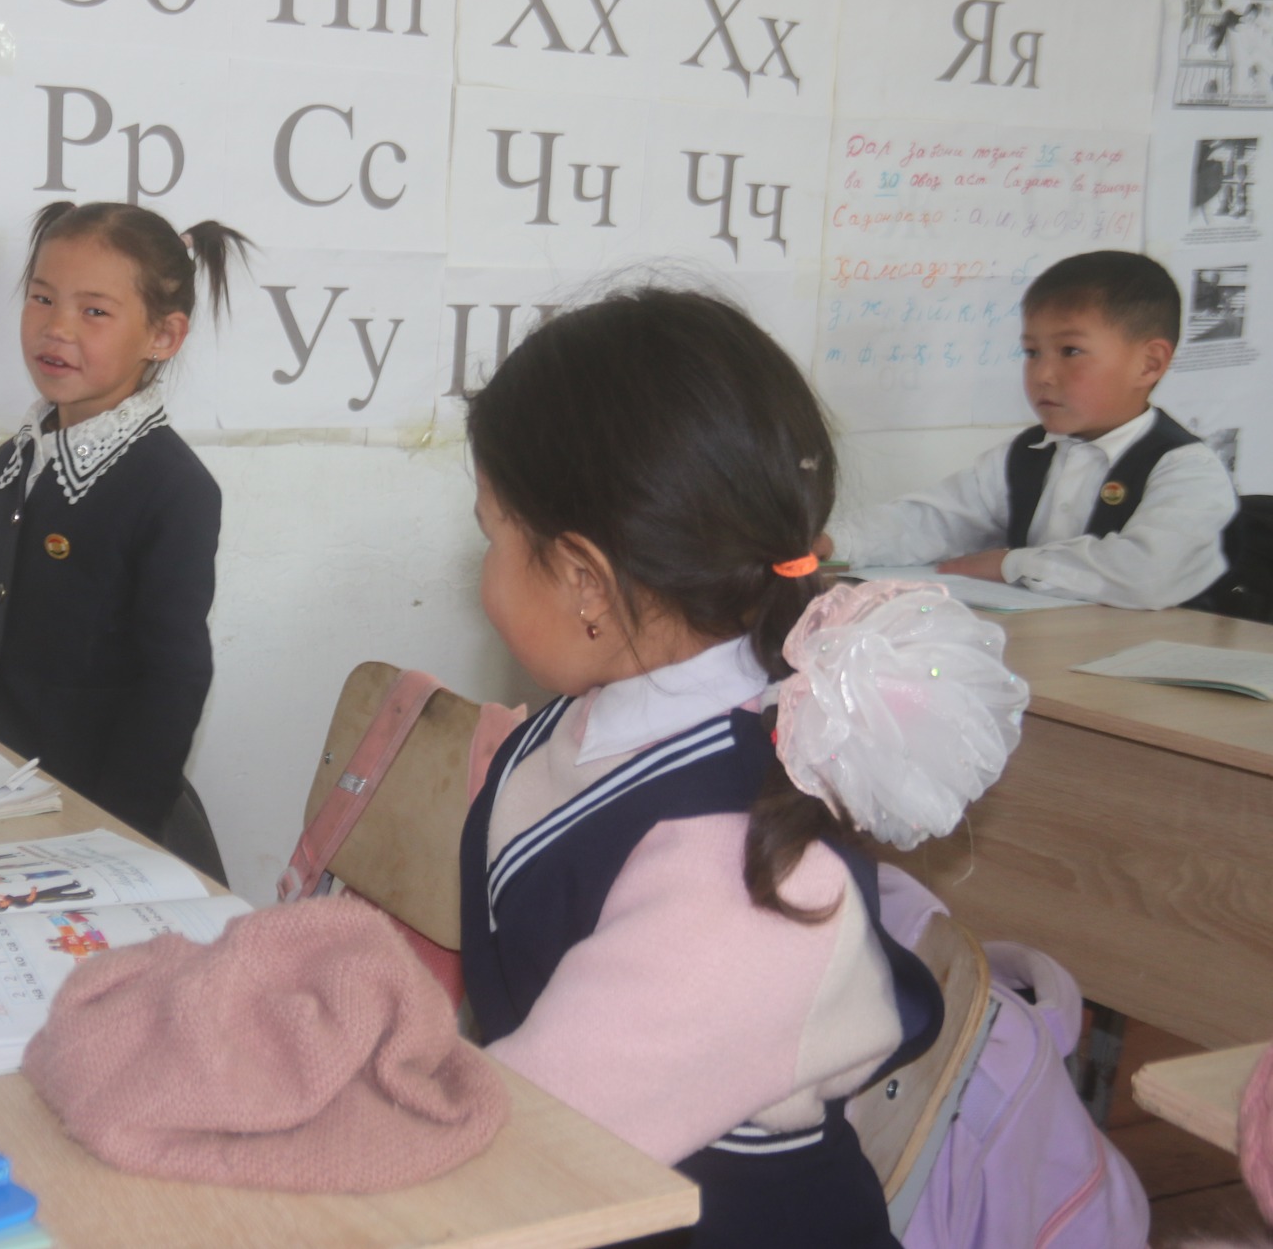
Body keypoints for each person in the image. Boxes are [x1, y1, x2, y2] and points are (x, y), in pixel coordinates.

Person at [459, 286, 1029, 1247]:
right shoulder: (587, 722)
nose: (481, 571)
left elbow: (522, 1142)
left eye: (491, 534)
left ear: (585, 579)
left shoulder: (745, 879)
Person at [0, 202, 249, 882]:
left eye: (94, 311)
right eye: (42, 298)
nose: (57, 327)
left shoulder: (171, 487)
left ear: (163, 335)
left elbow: (176, 678)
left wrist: (116, 835)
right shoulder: (17, 460)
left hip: (103, 812)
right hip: (6, 779)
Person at [824, 251, 1237, 609]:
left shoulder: (1186, 469)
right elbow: (936, 520)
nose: (1042, 374)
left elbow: (1149, 575)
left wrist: (1012, 564)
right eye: (1032, 352)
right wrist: (835, 542)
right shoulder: (1027, 454)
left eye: (1070, 351)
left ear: (1149, 364)